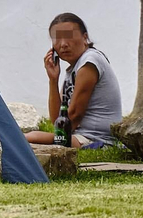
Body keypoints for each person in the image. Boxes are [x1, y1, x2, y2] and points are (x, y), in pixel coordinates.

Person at [25, 13, 124, 149]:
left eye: (69, 36)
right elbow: (58, 121)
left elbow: (74, 115)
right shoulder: (73, 70)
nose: (63, 44)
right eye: (57, 39)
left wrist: (56, 135)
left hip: (96, 139)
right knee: (27, 138)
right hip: (78, 136)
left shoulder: (90, 61)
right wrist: (53, 80)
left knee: (29, 138)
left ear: (85, 38)